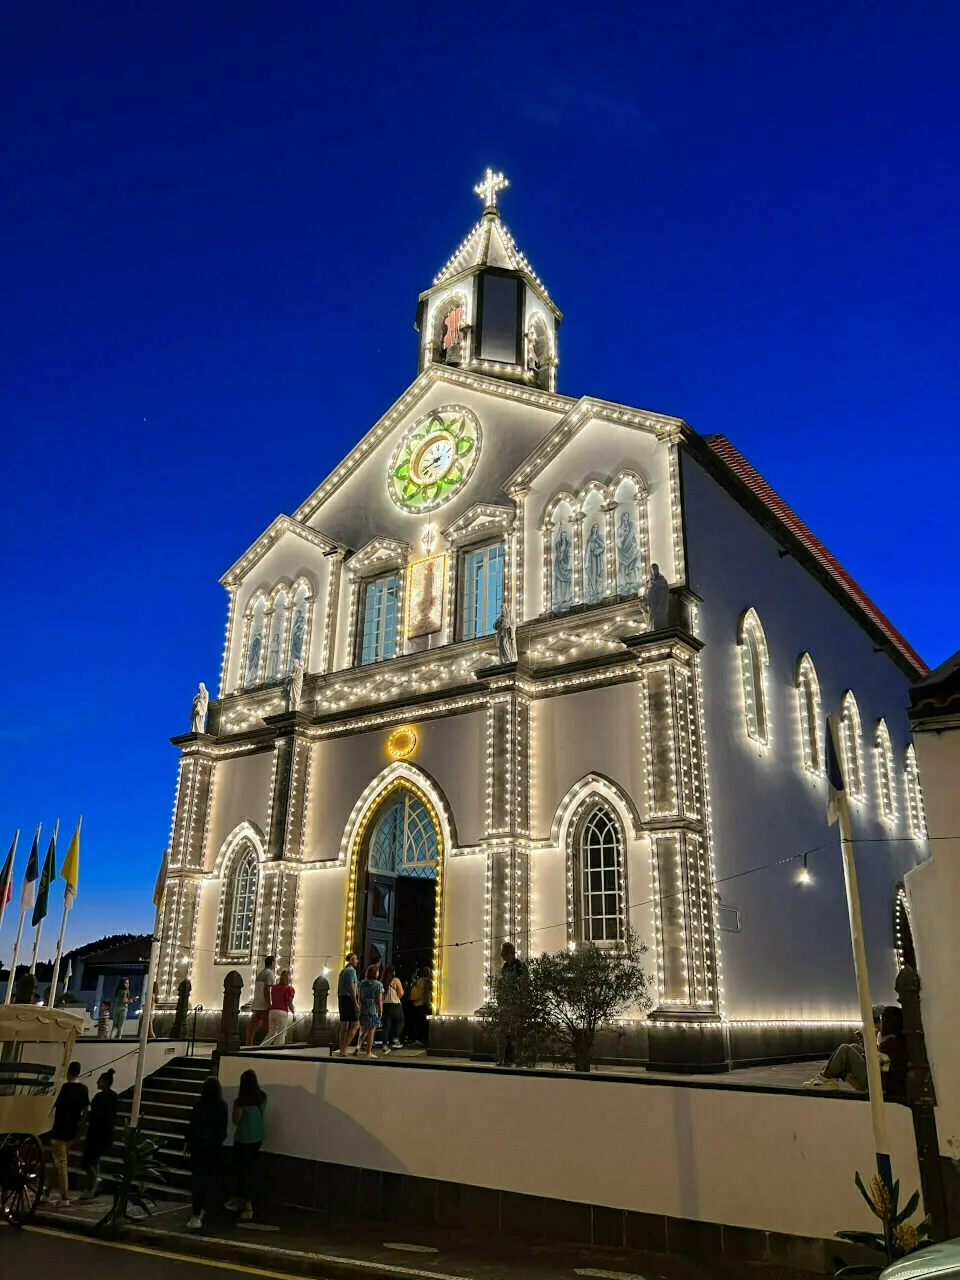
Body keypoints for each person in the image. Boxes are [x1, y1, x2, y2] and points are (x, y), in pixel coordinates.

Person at [806, 1006, 907, 1096]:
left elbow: (879, 1063)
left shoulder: (892, 1043)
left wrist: (869, 1048)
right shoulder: (893, 1039)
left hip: (879, 1082)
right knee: (854, 1047)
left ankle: (825, 1079)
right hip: (881, 1077)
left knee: (845, 1049)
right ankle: (825, 1076)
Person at [186, 1075, 228, 1230]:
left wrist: (189, 1144)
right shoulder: (222, 1106)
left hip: (198, 1149)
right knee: (210, 1180)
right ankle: (206, 1209)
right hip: (213, 1149)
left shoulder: (199, 1105)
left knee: (197, 1180)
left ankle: (196, 1213)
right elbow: (222, 1130)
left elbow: (192, 1127)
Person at [227, 1069, 267, 1222]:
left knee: (241, 1173)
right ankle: (245, 1204)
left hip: (243, 1140)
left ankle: (245, 1206)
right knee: (249, 1171)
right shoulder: (263, 1097)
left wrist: (235, 1107)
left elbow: (236, 1121)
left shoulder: (241, 1102)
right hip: (258, 1138)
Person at [48, 1060, 90, 1206]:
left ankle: (64, 1197)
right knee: (59, 1160)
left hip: (59, 1128)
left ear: (69, 1072)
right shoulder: (83, 1089)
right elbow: (85, 1110)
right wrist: (81, 1125)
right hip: (72, 1130)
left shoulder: (63, 1089)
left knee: (61, 1163)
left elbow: (53, 1105)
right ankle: (47, 1191)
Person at [77, 1069, 118, 1201]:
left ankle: (94, 1183)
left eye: (99, 1080)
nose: (97, 1082)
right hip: (106, 1134)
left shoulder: (99, 1098)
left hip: (96, 1134)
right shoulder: (113, 1097)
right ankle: (92, 1187)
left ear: (105, 1082)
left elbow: (95, 1116)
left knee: (87, 1161)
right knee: (94, 1160)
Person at [498, 942, 528, 1067]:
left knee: (516, 1032)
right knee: (506, 1032)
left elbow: (524, 984)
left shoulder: (519, 966)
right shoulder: (505, 967)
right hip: (506, 1004)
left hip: (516, 1003)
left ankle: (518, 1058)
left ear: (510, 952)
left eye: (504, 952)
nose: (502, 955)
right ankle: (506, 1058)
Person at [246, 956, 278, 1047]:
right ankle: (270, 1044)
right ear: (272, 963)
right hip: (263, 1004)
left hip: (256, 1002)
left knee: (253, 1025)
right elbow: (267, 989)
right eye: (274, 963)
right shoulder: (270, 974)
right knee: (269, 1027)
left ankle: (249, 1043)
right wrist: (269, 1004)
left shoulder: (260, 973)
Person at [358, 964, 384, 1058]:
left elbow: (360, 997)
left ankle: (358, 1045)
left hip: (363, 1008)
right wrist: (381, 1009)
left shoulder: (362, 983)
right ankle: (368, 1052)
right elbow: (379, 999)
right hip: (373, 1008)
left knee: (364, 1030)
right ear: (375, 973)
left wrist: (359, 1006)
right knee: (371, 1031)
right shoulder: (378, 984)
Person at [337, 954, 361, 1057]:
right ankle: (344, 1048)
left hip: (342, 998)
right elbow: (351, 987)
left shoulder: (342, 971)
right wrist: (355, 1003)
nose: (357, 961)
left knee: (344, 1025)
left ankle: (341, 1047)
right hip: (349, 999)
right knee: (355, 1024)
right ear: (351, 960)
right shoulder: (351, 971)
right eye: (356, 959)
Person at [268, 969, 295, 1047]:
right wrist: (293, 1013)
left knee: (271, 1033)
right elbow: (289, 1002)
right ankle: (278, 1049)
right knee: (281, 1033)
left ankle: (262, 1047)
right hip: (282, 1012)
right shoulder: (289, 989)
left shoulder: (274, 987)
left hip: (272, 1011)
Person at [380, 966, 405, 1051]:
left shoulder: (381, 982)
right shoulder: (396, 980)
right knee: (400, 1021)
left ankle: (384, 1044)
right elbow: (401, 993)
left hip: (385, 1005)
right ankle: (395, 1040)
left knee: (386, 1026)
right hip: (395, 1004)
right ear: (393, 972)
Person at [409, 966, 433, 1046]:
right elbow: (427, 993)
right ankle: (423, 1039)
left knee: (418, 1022)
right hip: (424, 1003)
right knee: (424, 1023)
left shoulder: (419, 981)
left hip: (416, 1003)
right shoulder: (428, 982)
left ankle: (417, 1038)